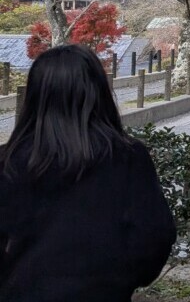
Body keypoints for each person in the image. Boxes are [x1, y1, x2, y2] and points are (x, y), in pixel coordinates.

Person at [0, 45, 176, 301]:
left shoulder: (8, 161)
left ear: (35, 96)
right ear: (99, 92)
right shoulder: (128, 156)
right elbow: (155, 235)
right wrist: (124, 279)